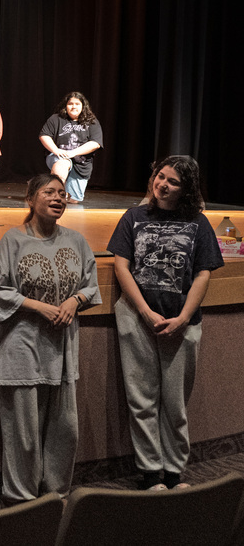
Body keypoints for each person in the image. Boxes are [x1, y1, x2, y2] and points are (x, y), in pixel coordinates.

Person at [107, 155, 223, 490]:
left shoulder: (198, 223)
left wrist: (184, 317)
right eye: (160, 176)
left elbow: (203, 274)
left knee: (174, 402)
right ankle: (150, 473)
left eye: (172, 181)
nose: (163, 184)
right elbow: (121, 267)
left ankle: (174, 472)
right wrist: (144, 312)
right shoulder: (134, 217)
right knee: (141, 398)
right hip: (137, 318)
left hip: (181, 322)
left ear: (185, 188)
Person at [0, 174, 100, 503]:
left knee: (65, 427)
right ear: (30, 199)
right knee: (23, 430)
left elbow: (90, 284)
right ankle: (20, 500)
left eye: (62, 193)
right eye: (48, 192)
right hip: (21, 343)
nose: (58, 198)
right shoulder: (13, 239)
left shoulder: (77, 240)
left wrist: (73, 301)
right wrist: (39, 307)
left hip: (62, 345)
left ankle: (55, 496)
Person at [39, 91, 104, 204]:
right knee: (63, 163)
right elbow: (44, 136)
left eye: (77, 104)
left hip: (82, 164)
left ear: (83, 106)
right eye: (70, 104)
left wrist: (73, 152)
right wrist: (56, 150)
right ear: (66, 106)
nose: (74, 106)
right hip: (59, 156)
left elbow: (95, 143)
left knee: (74, 200)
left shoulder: (92, 121)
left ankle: (41, 187)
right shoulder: (56, 119)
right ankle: (54, 195)